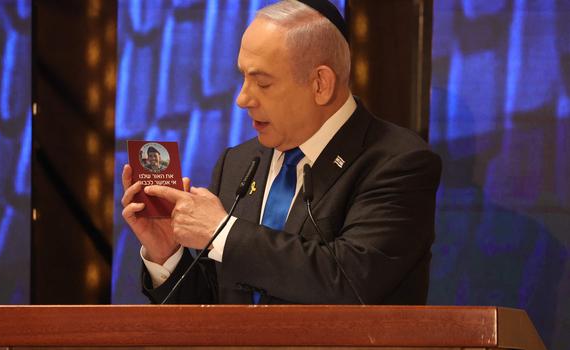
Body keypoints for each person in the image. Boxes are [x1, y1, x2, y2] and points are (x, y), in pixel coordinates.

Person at [121, 0, 441, 304]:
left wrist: (225, 234)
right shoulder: (237, 163)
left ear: (320, 84)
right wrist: (168, 255)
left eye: (262, 83)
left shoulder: (397, 162)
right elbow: (212, 314)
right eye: (243, 77)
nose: (242, 99)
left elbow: (350, 280)